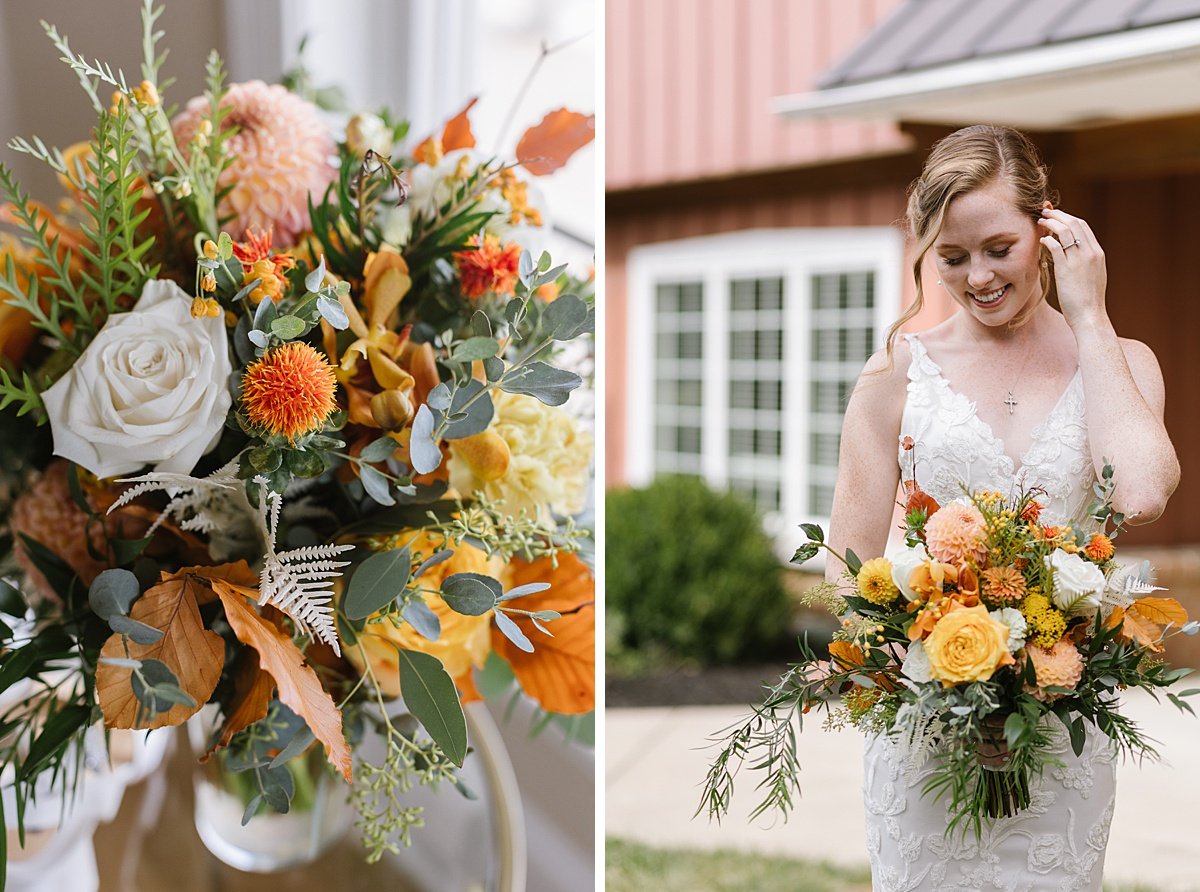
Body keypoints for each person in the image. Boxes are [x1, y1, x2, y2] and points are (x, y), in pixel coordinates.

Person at [827, 124, 1180, 889]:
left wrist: (1090, 317)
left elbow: (1143, 492)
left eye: (998, 248)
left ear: (1046, 227)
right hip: (928, 725)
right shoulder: (897, 370)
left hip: (1059, 725)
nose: (978, 276)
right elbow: (846, 565)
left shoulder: (1124, 362)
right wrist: (921, 661)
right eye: (951, 258)